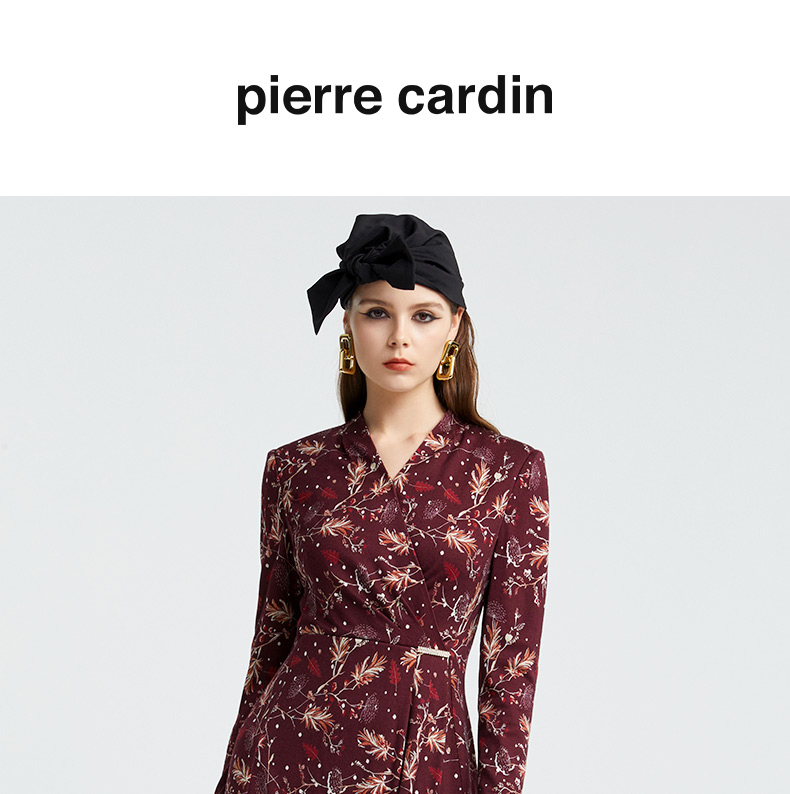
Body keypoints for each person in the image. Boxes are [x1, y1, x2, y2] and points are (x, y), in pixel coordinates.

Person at [214, 213, 550, 794]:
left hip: (425, 762)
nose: (399, 337)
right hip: (287, 757)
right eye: (377, 313)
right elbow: (271, 639)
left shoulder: (509, 472)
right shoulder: (295, 468)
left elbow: (510, 676)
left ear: (454, 326)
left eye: (423, 316)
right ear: (347, 323)